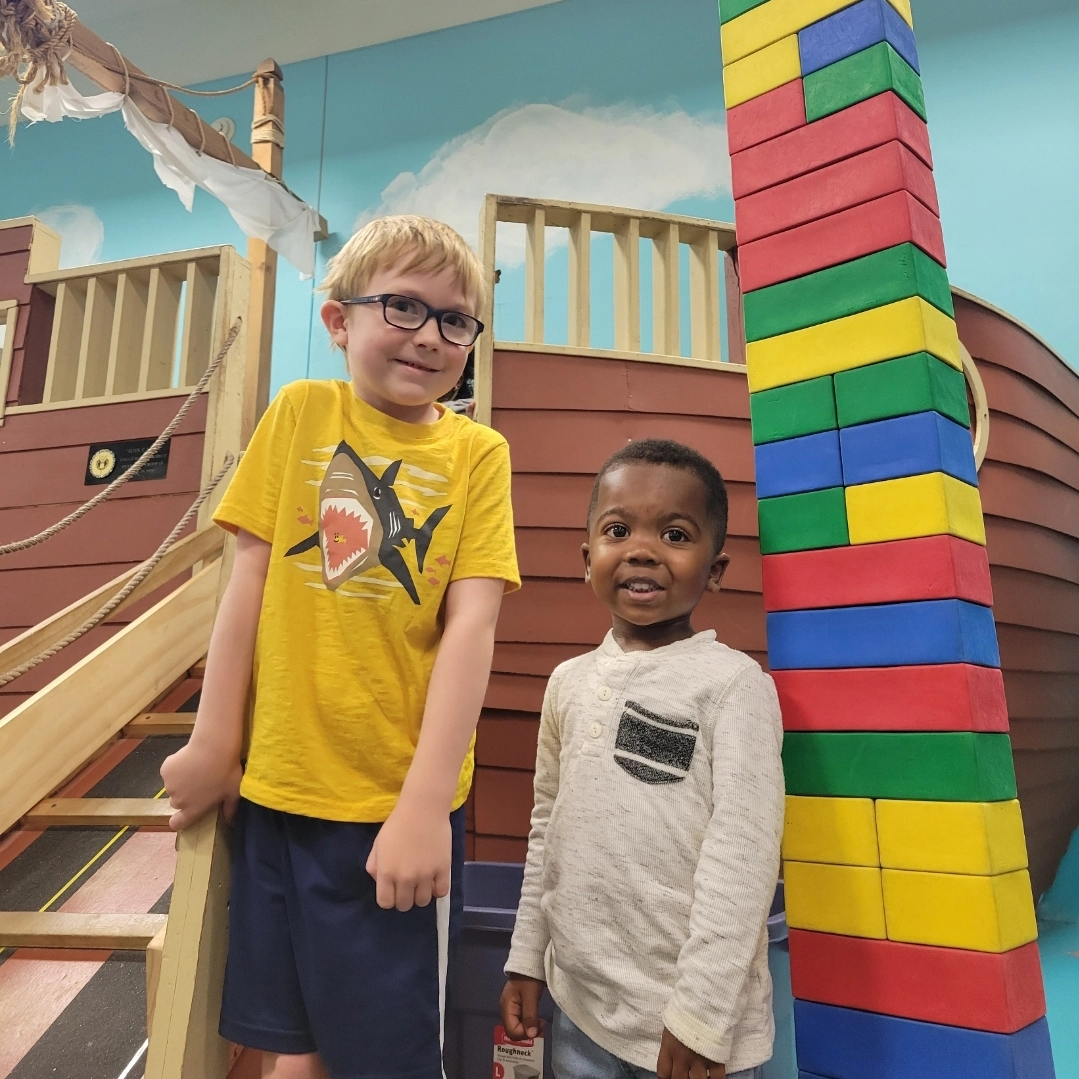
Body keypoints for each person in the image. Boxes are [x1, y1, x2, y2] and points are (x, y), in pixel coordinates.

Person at [161, 215, 520, 1079]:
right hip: (278, 793)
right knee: (294, 1036)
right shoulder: (299, 413)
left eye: (454, 320)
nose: (429, 336)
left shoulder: (477, 452)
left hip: (387, 807)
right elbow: (245, 580)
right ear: (338, 322)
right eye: (401, 306)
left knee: (384, 1056)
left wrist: (425, 806)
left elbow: (471, 627)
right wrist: (216, 740)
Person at [500, 439, 784, 1079]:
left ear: (715, 569)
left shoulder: (732, 686)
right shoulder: (566, 683)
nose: (642, 549)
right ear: (587, 557)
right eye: (618, 529)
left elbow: (743, 859)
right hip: (581, 1014)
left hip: (693, 1038)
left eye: (676, 534)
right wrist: (526, 957)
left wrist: (701, 1016)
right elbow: (548, 830)